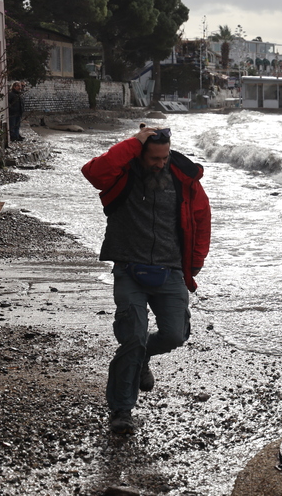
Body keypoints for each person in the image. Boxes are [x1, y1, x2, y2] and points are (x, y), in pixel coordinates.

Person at [81, 126, 211, 434]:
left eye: (165, 157)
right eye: (154, 158)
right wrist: (134, 142)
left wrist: (195, 262)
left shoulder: (183, 178)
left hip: (171, 270)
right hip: (129, 269)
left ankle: (141, 359)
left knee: (175, 334)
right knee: (133, 337)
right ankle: (122, 410)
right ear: (140, 153)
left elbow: (201, 217)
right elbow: (93, 172)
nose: (160, 164)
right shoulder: (122, 172)